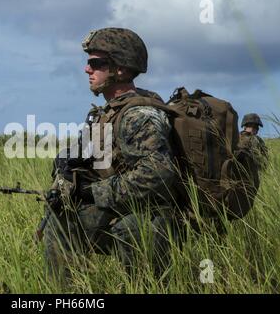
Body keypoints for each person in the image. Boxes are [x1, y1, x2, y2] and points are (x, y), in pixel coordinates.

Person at [43, 28, 182, 285]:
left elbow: (158, 174)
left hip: (156, 215)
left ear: (121, 69)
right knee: (62, 222)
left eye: (96, 63)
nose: (87, 70)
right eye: (88, 63)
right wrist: (64, 166)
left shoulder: (139, 115)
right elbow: (84, 153)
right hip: (129, 206)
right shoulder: (108, 112)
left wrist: (92, 192)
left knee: (129, 233)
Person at [237, 113, 269, 189]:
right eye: (252, 126)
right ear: (245, 127)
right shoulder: (237, 137)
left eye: (256, 127)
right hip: (238, 176)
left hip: (253, 176)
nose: (255, 129)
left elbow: (265, 160)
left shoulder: (259, 141)